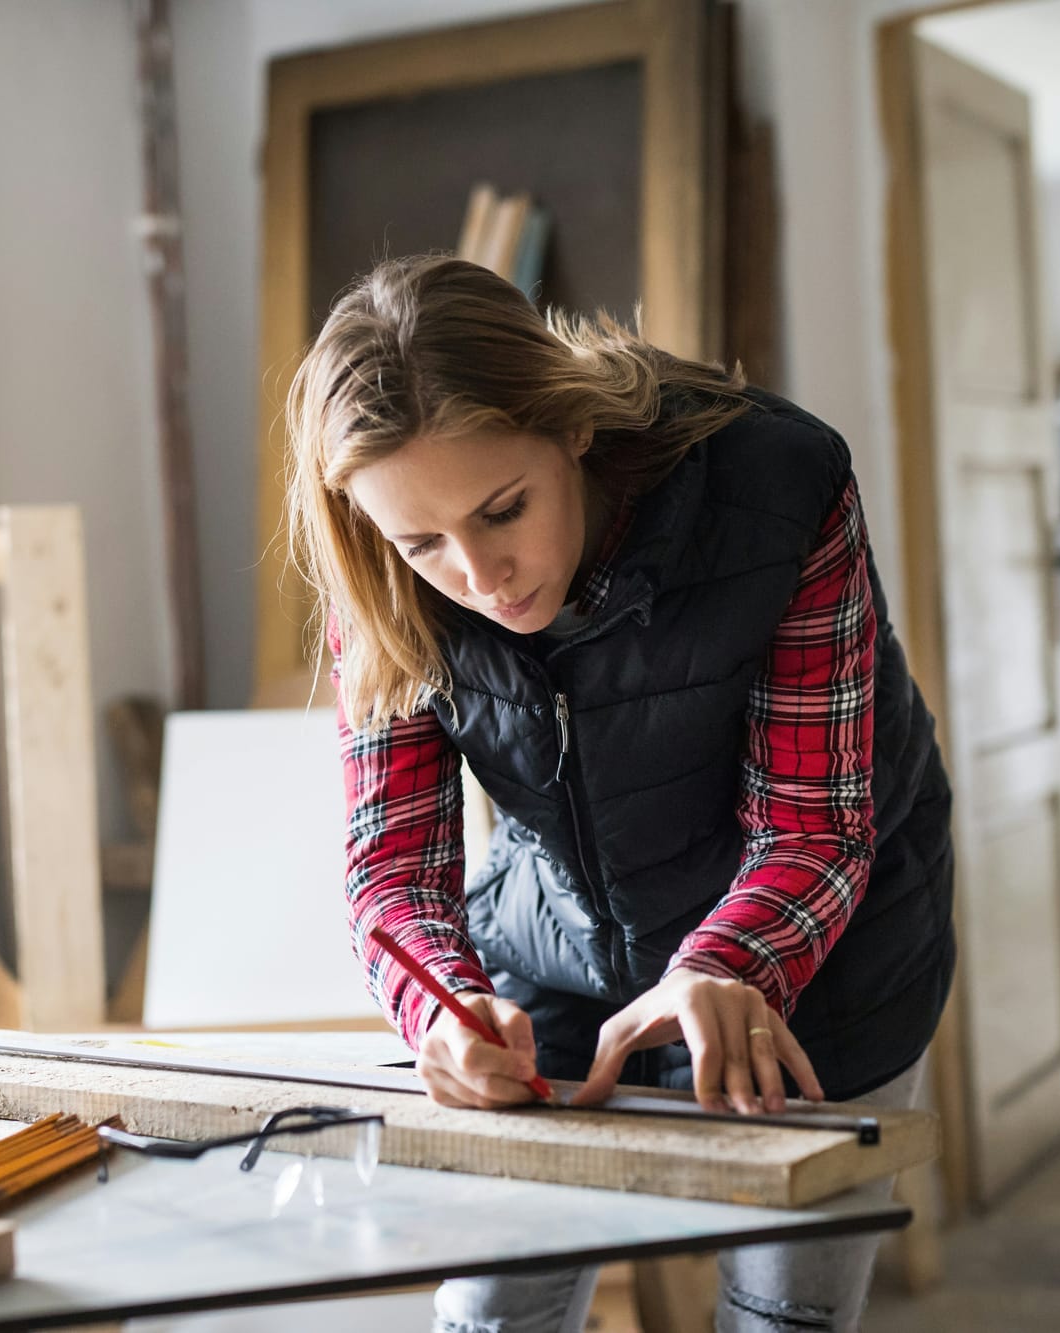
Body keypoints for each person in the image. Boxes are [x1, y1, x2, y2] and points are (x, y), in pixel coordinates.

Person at [284, 254, 956, 1333]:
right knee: (492, 1310)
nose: (477, 574)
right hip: (564, 936)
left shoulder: (779, 488)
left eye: (503, 510)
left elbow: (815, 824)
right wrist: (444, 1009)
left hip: (824, 946)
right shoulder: (384, 579)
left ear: (571, 429)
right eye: (422, 543)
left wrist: (725, 964)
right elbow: (391, 867)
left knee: (783, 1313)